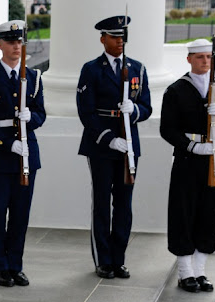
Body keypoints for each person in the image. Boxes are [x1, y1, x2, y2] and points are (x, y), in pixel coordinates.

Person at [160, 38, 215, 293]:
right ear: (189, 59)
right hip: (188, 158)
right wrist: (192, 146)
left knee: (209, 211)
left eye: (209, 57)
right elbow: (167, 129)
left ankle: (200, 270)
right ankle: (185, 271)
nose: (205, 61)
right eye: (199, 57)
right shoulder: (176, 90)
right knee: (183, 211)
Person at [77, 15, 151, 279]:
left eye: (122, 37)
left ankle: (118, 259)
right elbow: (86, 112)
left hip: (129, 143)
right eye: (114, 37)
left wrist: (136, 111)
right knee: (102, 203)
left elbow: (147, 106)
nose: (120, 41)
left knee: (124, 203)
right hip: (102, 144)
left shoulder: (137, 69)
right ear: (103, 39)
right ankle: (103, 259)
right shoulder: (92, 69)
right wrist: (109, 138)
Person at [0, 20, 46, 288]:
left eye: (19, 42)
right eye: (11, 42)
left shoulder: (34, 77)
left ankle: (16, 264)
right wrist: (7, 143)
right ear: (0, 45)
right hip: (1, 155)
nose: (16, 46)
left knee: (20, 213)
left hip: (27, 154)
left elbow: (41, 113)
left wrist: (33, 118)